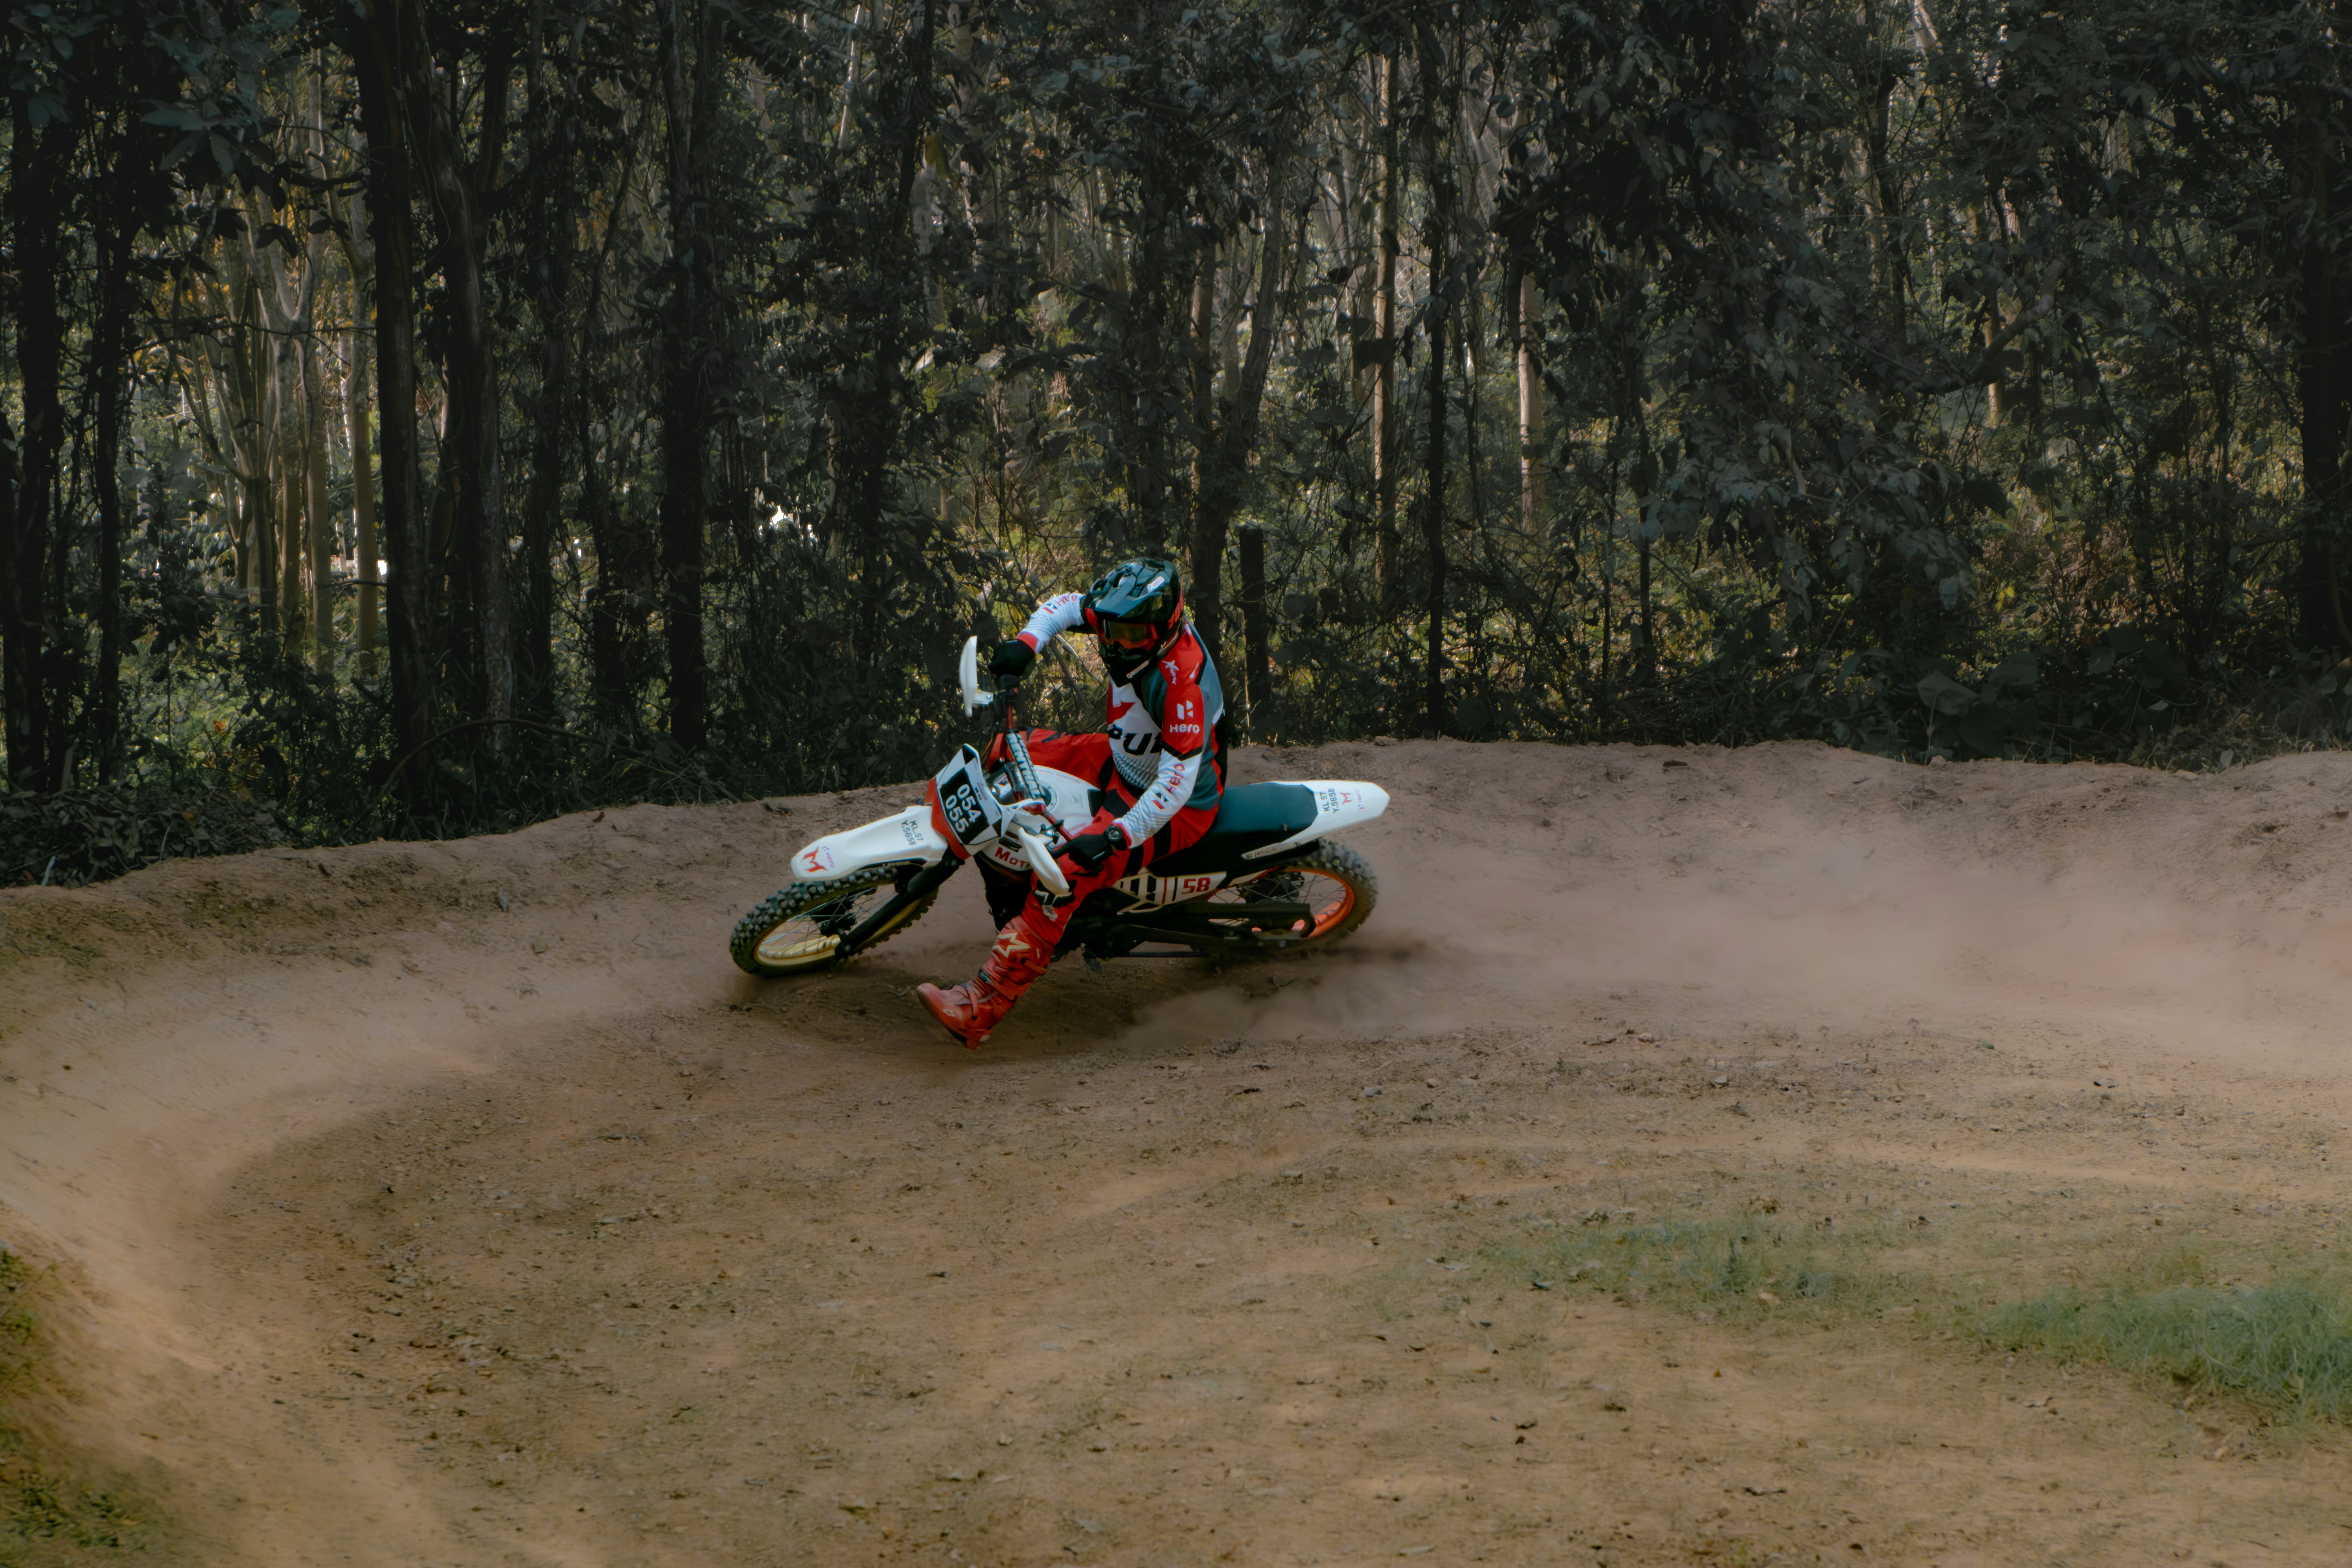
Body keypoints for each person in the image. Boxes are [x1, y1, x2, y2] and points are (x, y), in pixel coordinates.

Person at [917, 557, 1225, 1046]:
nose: (1115, 642)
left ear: (1162, 628)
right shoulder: (1127, 622)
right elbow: (1063, 607)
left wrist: (1113, 835)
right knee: (1008, 750)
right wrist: (1027, 642)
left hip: (1172, 804)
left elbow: (1177, 784)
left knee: (1064, 873)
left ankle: (984, 1004)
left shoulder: (1181, 683)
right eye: (1109, 630)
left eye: (1129, 634)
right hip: (1123, 760)